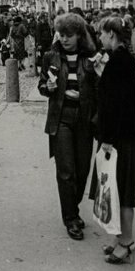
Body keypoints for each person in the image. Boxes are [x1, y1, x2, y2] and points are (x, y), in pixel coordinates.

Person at [38, 13, 98, 240]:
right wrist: (48, 87)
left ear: (79, 35)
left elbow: (99, 88)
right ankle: (71, 218)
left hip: (84, 118)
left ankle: (73, 207)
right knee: (66, 171)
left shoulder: (90, 58)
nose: (64, 39)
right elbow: (42, 85)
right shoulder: (51, 56)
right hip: (61, 118)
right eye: (61, 34)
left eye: (68, 35)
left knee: (82, 170)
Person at [88, 17, 135, 263]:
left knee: (121, 191)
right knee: (115, 190)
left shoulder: (119, 60)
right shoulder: (120, 58)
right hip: (120, 135)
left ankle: (126, 242)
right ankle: (120, 238)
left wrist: (108, 138)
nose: (99, 38)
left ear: (111, 34)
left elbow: (116, 104)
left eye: (101, 33)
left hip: (119, 138)